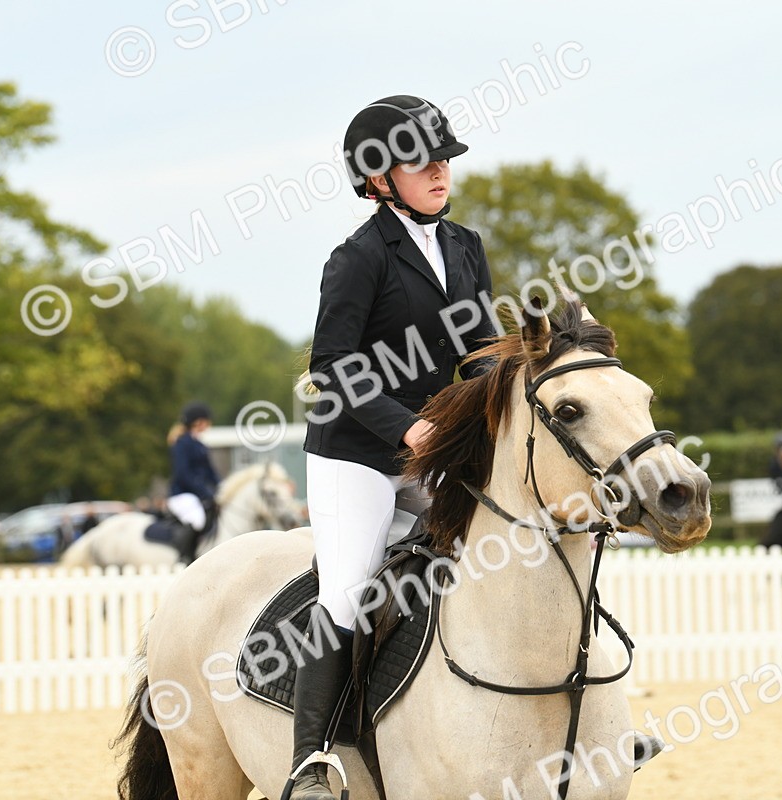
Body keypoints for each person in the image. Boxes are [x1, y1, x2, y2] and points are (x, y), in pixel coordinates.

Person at [287, 95, 496, 800]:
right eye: (421, 162)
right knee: (348, 587)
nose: (441, 171)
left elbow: (480, 351)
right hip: (359, 451)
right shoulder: (357, 259)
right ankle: (312, 760)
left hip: (436, 448)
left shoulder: (464, 245)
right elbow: (334, 366)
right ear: (378, 179)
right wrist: (407, 427)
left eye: (445, 158)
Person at [166, 402, 222, 535]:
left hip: (199, 495)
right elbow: (183, 474)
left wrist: (221, 487)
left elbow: (210, 472)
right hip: (183, 495)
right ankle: (185, 555)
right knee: (197, 520)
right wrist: (205, 492)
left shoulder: (200, 445)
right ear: (198, 422)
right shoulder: (181, 444)